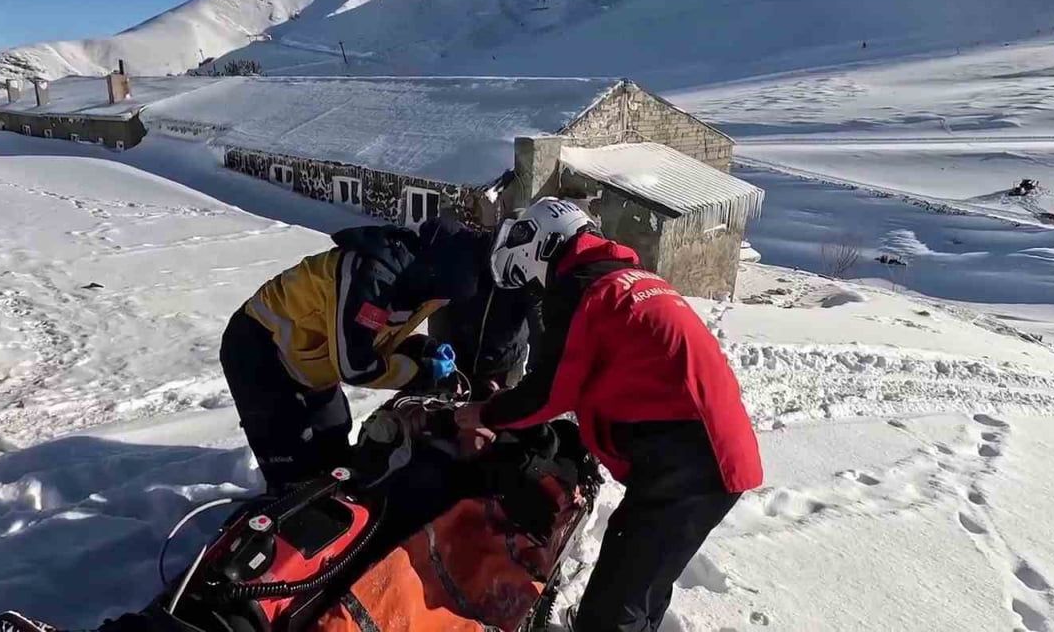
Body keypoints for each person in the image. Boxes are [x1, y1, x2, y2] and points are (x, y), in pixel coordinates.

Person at [452, 197, 764, 632]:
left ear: (542, 245)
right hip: (707, 451)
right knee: (641, 575)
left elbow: (549, 392)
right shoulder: (626, 279)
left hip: (691, 460)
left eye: (532, 278)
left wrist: (485, 413)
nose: (538, 291)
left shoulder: (585, 290)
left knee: (614, 606)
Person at [221, 222, 482, 491]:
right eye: (445, 297)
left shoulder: (418, 281)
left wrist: (419, 348)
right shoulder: (372, 279)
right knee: (295, 472)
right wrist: (424, 375)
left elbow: (374, 335)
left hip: (310, 356)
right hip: (258, 350)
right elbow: (356, 366)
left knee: (335, 443)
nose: (443, 304)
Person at [420, 215, 543, 401]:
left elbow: (540, 328)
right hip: (455, 361)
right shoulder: (466, 254)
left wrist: (533, 380)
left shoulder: (529, 272)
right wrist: (440, 355)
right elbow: (440, 307)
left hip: (502, 367)